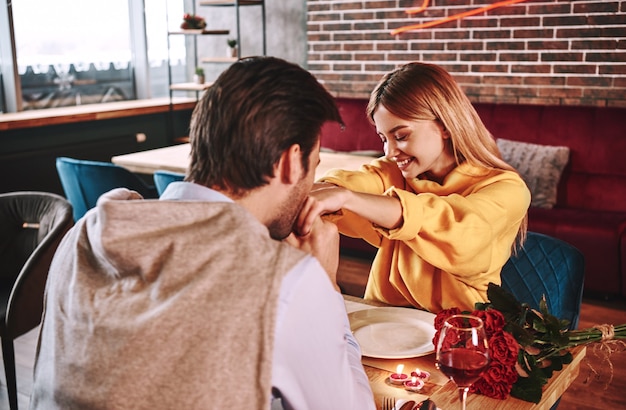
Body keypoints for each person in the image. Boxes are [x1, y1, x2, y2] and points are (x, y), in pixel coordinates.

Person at [30, 57, 375, 410]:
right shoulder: (285, 280)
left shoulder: (83, 233)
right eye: (313, 168)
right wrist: (325, 283)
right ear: (289, 162)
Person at [296, 62, 531, 313]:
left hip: (460, 331)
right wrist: (327, 191)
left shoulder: (508, 189)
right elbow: (352, 181)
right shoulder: (393, 172)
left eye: (401, 136)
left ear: (444, 125)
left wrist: (348, 198)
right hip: (383, 320)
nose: (389, 151)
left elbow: (458, 229)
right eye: (383, 138)